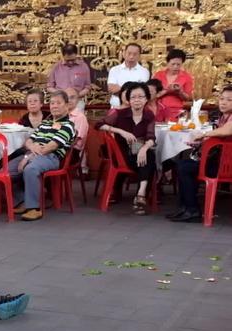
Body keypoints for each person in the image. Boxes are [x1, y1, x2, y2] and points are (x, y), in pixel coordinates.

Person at [166, 85, 232, 223]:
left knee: (185, 168)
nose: (224, 102)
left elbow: (227, 131)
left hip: (226, 166)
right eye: (222, 99)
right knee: (182, 165)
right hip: (219, 161)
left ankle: (192, 209)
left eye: (229, 100)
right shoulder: (223, 117)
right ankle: (184, 207)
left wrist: (205, 134)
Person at [8, 90, 76, 221]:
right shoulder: (45, 123)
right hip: (32, 153)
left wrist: (27, 158)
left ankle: (34, 208)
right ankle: (23, 200)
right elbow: (28, 141)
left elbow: (50, 147)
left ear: (67, 105)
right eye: (52, 103)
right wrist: (31, 148)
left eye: (58, 103)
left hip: (51, 157)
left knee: (30, 169)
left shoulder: (68, 125)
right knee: (5, 172)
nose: (54, 106)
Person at [96, 82, 157, 215]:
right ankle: (141, 197)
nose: (137, 100)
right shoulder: (119, 114)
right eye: (133, 97)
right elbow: (99, 125)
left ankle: (141, 193)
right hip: (121, 152)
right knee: (149, 160)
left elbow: (151, 137)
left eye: (141, 97)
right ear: (128, 100)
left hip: (139, 148)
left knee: (148, 155)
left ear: (146, 99)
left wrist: (144, 148)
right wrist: (120, 131)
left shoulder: (149, 115)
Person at [152, 48, 193, 122]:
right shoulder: (158, 75)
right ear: (167, 63)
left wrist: (180, 92)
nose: (175, 67)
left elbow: (187, 98)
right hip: (159, 110)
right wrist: (167, 90)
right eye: (173, 64)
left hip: (176, 111)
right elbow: (152, 95)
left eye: (178, 64)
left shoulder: (186, 77)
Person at [47, 44, 92, 111]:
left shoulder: (83, 67)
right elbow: (49, 87)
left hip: (77, 103)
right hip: (60, 102)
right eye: (67, 60)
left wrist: (76, 95)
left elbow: (87, 87)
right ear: (63, 56)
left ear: (76, 54)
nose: (70, 62)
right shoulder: (56, 67)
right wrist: (62, 94)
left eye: (73, 60)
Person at [107, 43, 150, 108]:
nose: (131, 56)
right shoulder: (114, 70)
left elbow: (141, 91)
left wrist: (120, 89)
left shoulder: (144, 71)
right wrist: (132, 90)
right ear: (124, 53)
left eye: (135, 54)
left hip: (136, 108)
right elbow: (112, 89)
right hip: (116, 107)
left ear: (139, 56)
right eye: (129, 53)